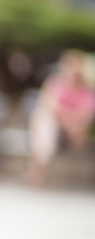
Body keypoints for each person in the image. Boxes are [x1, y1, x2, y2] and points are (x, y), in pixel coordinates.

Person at [27, 49, 95, 186]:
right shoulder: (55, 84)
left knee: (43, 124)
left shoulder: (86, 90)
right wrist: (67, 118)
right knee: (44, 123)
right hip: (57, 129)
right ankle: (39, 167)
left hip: (74, 133)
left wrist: (66, 118)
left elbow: (86, 115)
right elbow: (50, 106)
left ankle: (37, 170)